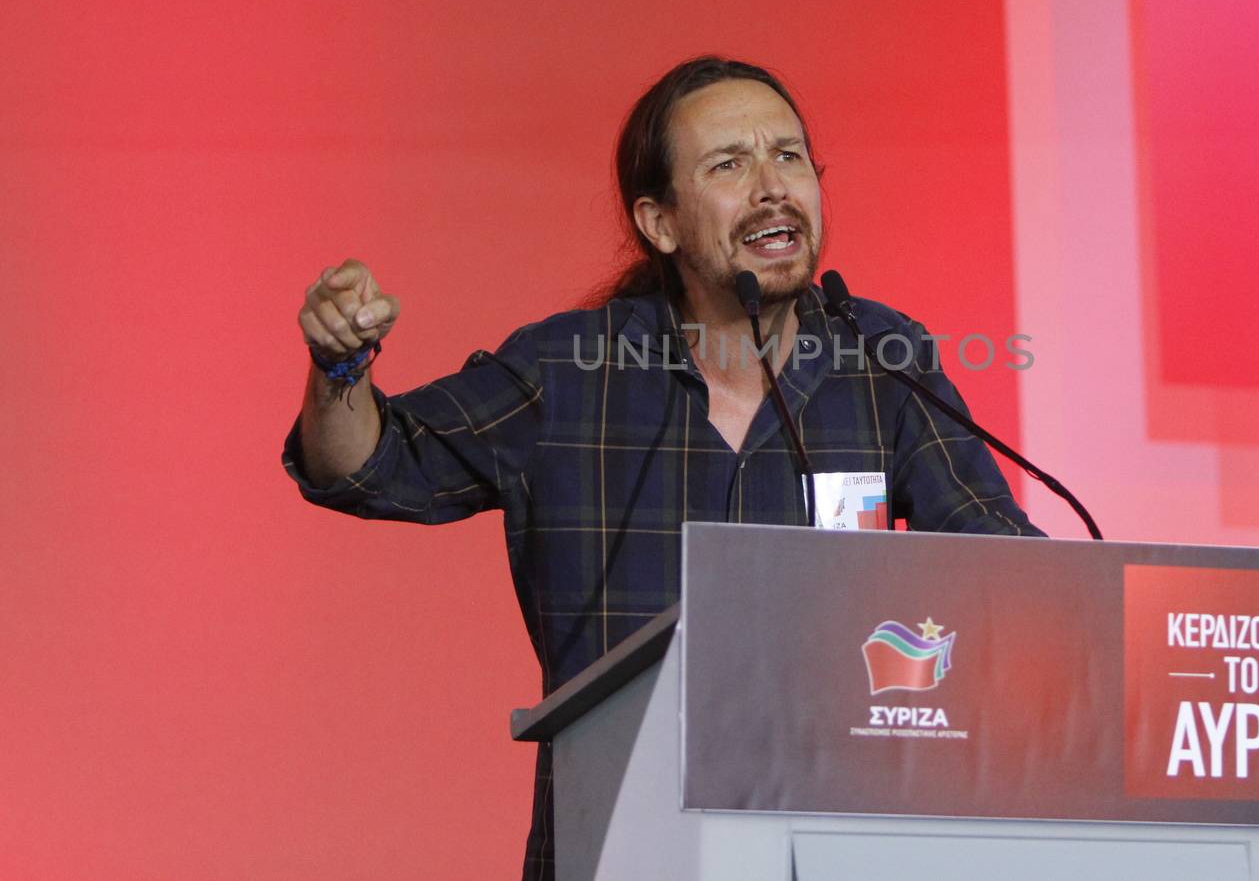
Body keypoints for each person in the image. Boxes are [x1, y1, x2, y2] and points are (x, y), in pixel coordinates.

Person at [283, 56, 1045, 880]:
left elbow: (1004, 565)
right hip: (616, 848)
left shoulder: (879, 357)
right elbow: (367, 463)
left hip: (831, 845)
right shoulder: (569, 371)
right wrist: (341, 368)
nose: (772, 187)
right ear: (660, 222)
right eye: (729, 164)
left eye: (789, 156)